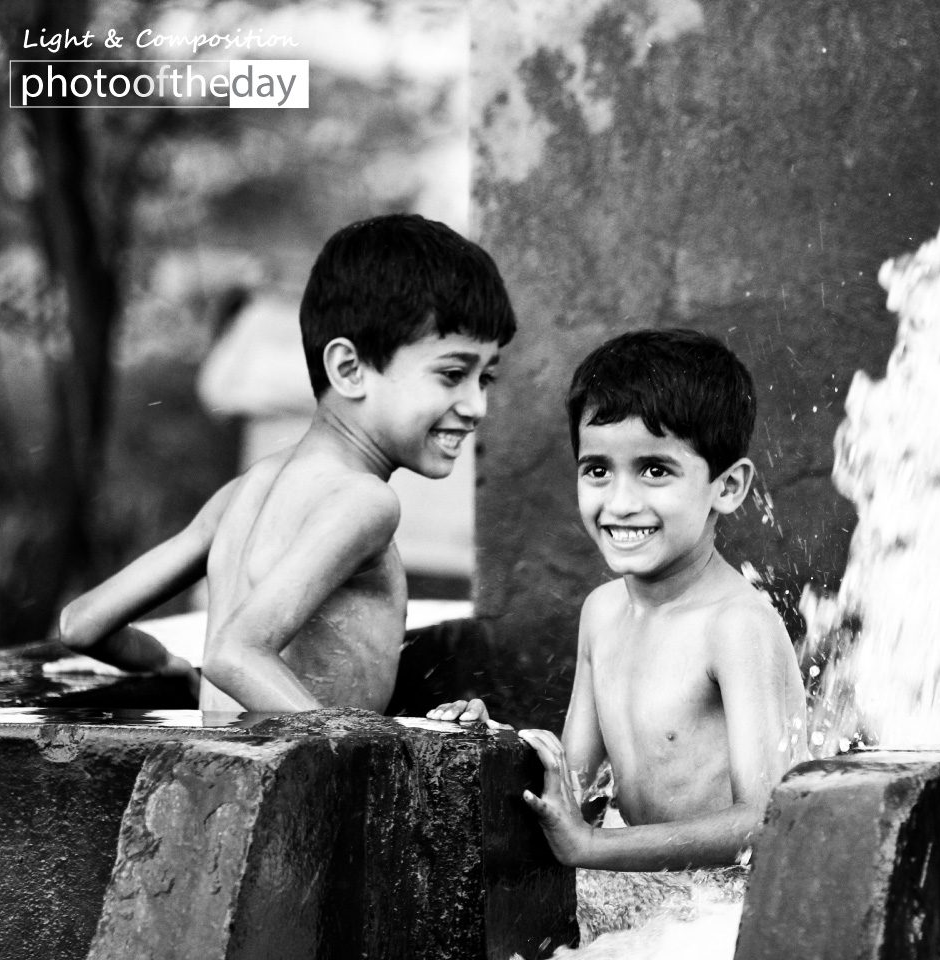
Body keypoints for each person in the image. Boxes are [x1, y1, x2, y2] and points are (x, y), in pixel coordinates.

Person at [58, 213, 514, 716]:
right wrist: (375, 752)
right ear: (349, 369)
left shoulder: (245, 490)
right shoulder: (364, 500)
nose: (476, 406)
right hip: (287, 788)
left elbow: (82, 622)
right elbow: (235, 653)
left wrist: (165, 665)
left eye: (485, 378)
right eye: (452, 374)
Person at [435, 328, 806, 877]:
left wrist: (591, 849)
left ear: (727, 488)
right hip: (659, 902)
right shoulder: (603, 612)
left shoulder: (736, 625)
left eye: (655, 470)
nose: (621, 502)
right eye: (598, 470)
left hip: (726, 912)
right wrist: (490, 748)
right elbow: (572, 790)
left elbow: (766, 821)